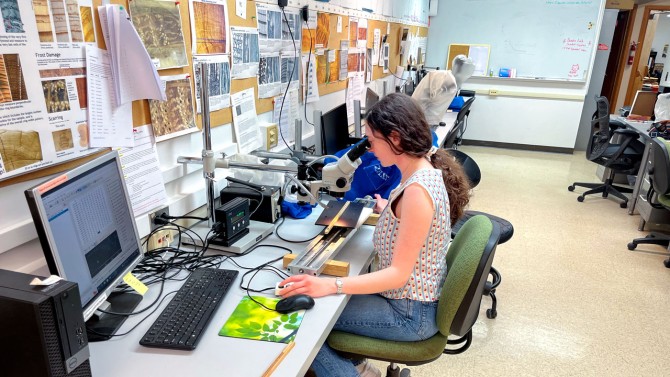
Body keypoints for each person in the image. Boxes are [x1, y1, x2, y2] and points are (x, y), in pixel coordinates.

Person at [279, 93, 472, 377]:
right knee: (320, 300)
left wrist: (332, 285)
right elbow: (413, 226)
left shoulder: (417, 193)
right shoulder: (420, 173)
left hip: (410, 313)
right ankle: (359, 367)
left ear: (395, 138)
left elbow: (398, 275)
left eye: (371, 140)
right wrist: (389, 212)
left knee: (308, 322)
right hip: (407, 301)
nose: (369, 149)